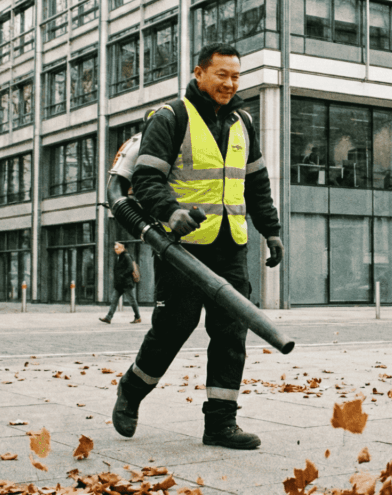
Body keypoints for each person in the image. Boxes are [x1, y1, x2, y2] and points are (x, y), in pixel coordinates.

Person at [113, 43, 283, 450]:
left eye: (236, 76)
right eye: (222, 74)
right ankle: (131, 392)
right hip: (183, 248)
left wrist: (271, 230)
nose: (230, 83)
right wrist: (171, 213)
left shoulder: (243, 122)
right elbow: (146, 181)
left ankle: (220, 424)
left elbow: (256, 184)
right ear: (199, 73)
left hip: (231, 246)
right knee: (174, 328)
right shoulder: (171, 117)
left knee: (230, 332)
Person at [100, 242, 141, 324]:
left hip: (126, 283)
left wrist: (123, 275)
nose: (115, 250)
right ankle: (108, 317)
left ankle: (138, 317)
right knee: (114, 300)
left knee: (132, 301)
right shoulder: (119, 257)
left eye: (117, 248)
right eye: (115, 249)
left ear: (122, 248)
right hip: (119, 284)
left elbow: (130, 268)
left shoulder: (126, 256)